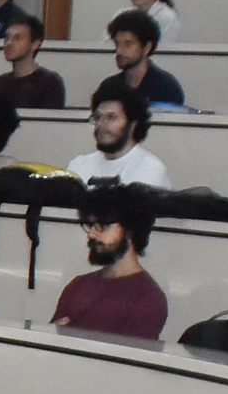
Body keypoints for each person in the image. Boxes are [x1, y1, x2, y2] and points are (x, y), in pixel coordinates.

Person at [53, 183, 167, 340]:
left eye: (103, 225)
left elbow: (127, 361)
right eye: (90, 225)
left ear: (130, 229)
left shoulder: (147, 298)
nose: (91, 234)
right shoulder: (78, 285)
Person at [69, 87, 171, 190]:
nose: (101, 124)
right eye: (98, 117)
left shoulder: (151, 169)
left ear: (132, 125)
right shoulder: (79, 165)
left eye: (111, 117)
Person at [94, 10, 185, 108]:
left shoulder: (166, 87)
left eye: (128, 44)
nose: (119, 51)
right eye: (117, 43)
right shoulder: (108, 88)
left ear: (147, 48)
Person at [0, 17, 66, 110]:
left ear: (35, 44)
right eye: (7, 37)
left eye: (17, 38)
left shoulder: (50, 83)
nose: (9, 43)